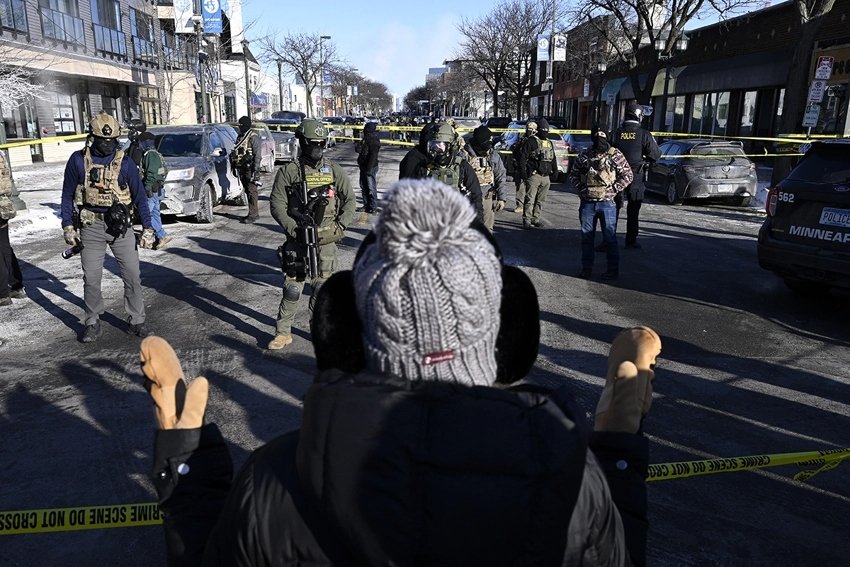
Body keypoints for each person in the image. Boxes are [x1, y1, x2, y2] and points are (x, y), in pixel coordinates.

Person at [140, 178, 661, 566]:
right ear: (506, 335)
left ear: (343, 331)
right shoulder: (574, 481)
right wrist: (615, 449)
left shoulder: (277, 479)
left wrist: (188, 476)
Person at [60, 112, 154, 342]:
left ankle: (136, 321)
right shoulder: (77, 161)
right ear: (92, 138)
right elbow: (66, 195)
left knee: (132, 275)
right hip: (91, 226)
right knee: (91, 278)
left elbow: (140, 197)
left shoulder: (126, 162)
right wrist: (67, 226)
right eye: (102, 140)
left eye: (112, 141)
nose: (107, 145)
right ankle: (92, 322)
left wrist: (149, 228)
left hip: (121, 228)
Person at [266, 118, 356, 350]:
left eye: (320, 143)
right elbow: (277, 204)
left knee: (322, 289)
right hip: (298, 239)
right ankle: (283, 332)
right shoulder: (289, 172)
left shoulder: (333, 170)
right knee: (293, 288)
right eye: (311, 143)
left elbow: (350, 200)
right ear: (302, 143)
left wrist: (340, 227)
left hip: (326, 238)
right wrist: (293, 229)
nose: (316, 148)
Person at [569, 129, 633, 281]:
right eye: (597, 137)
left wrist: (613, 190)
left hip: (607, 204)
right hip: (587, 204)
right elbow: (573, 174)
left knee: (610, 238)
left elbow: (628, 175)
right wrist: (582, 189)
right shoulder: (585, 154)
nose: (600, 140)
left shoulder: (615, 154)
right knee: (587, 238)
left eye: (603, 136)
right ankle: (587, 269)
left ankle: (612, 270)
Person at [398, 122, 484, 223]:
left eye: (441, 145)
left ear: (451, 145)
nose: (437, 149)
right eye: (433, 145)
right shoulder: (423, 166)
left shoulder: (461, 167)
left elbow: (475, 197)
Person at [610, 103, 661, 249]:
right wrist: (645, 160)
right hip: (636, 177)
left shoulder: (616, 133)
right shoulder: (644, 134)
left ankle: (608, 239)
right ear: (638, 116)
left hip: (617, 176)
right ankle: (630, 241)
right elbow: (655, 154)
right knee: (633, 211)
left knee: (613, 209)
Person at [516, 118, 557, 229]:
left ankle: (536, 218)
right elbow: (523, 157)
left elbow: (553, 158)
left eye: (546, 130)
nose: (545, 132)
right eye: (543, 130)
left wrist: (555, 170)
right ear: (538, 130)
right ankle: (527, 220)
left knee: (540, 200)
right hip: (534, 175)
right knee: (530, 199)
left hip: (546, 176)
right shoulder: (531, 141)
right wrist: (523, 171)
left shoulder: (549, 143)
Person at [465, 125, 507, 232]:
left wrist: (502, 198)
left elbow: (500, 175)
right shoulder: (464, 155)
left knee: (487, 230)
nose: (489, 144)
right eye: (486, 141)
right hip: (469, 199)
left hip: (487, 198)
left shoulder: (492, 155)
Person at [137, 132, 171, 250]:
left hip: (151, 190)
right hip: (157, 189)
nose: (139, 145)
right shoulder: (156, 154)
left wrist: (147, 187)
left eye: (141, 142)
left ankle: (161, 235)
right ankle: (162, 237)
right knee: (155, 214)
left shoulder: (150, 155)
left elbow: (151, 173)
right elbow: (162, 172)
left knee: (148, 214)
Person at [0, 150, 24, 306]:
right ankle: (16, 285)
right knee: (4, 246)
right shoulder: (1, 155)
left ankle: (2, 293)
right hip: (3, 205)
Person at [233, 116, 263, 224]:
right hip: (242, 167)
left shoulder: (253, 137)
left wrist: (256, 171)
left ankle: (253, 214)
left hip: (250, 169)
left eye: (241, 126)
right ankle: (252, 212)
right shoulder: (241, 137)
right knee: (247, 190)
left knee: (252, 191)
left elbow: (257, 155)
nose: (240, 128)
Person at [511, 120, 536, 213]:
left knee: (531, 188)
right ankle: (520, 205)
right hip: (520, 165)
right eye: (528, 129)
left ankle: (530, 206)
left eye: (531, 129)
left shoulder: (536, 140)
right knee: (520, 187)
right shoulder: (522, 138)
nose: (529, 131)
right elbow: (517, 151)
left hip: (531, 166)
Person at [357, 121, 381, 214]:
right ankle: (366, 205)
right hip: (363, 166)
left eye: (366, 128)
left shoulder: (373, 140)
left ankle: (373, 206)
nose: (364, 130)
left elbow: (373, 156)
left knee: (371, 187)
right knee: (363, 186)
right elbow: (359, 150)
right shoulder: (365, 139)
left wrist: (369, 168)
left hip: (370, 167)